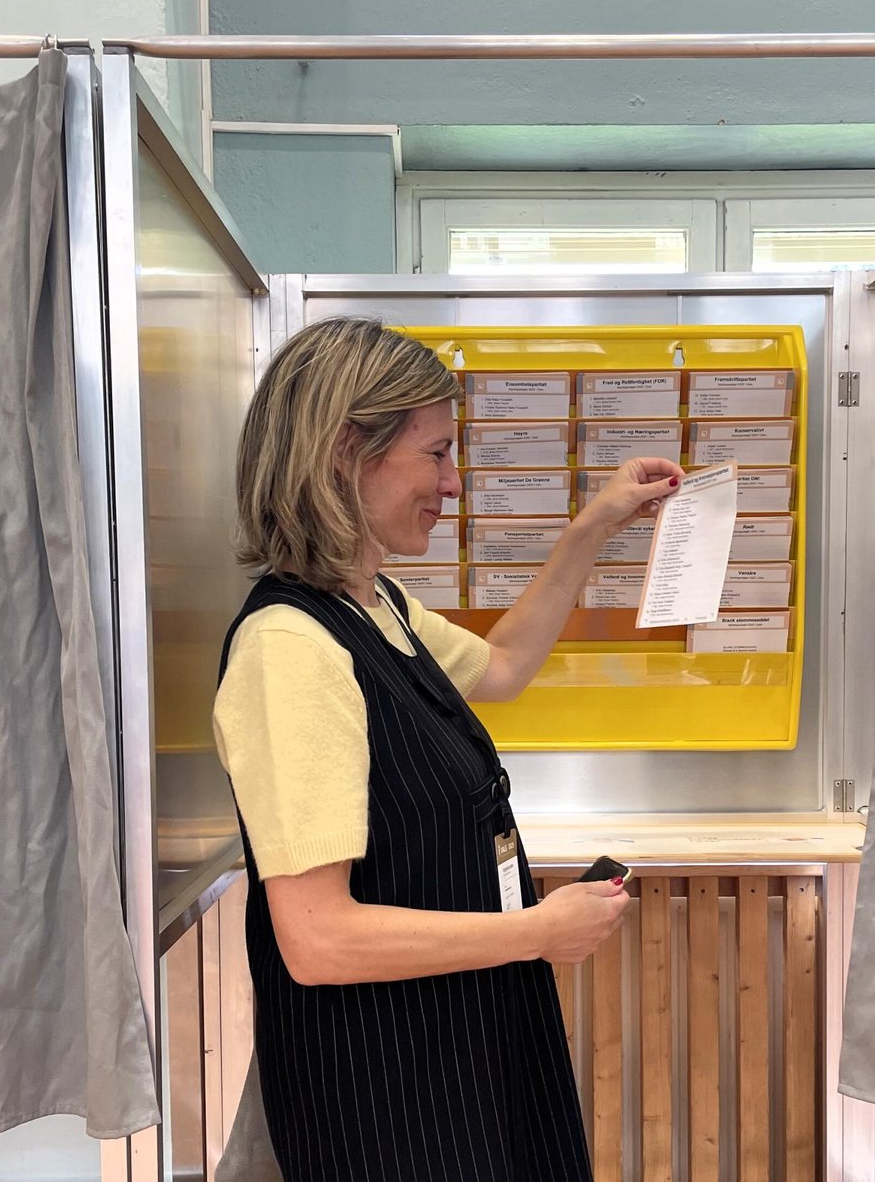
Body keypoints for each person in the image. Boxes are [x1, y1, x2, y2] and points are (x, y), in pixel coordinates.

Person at [213, 316, 683, 1181]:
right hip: (386, 1093)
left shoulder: (375, 606)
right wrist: (537, 930)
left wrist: (593, 529)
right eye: (435, 455)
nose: (454, 484)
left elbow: (501, 665)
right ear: (346, 451)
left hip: (456, 1046)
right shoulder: (291, 649)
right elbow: (317, 937)